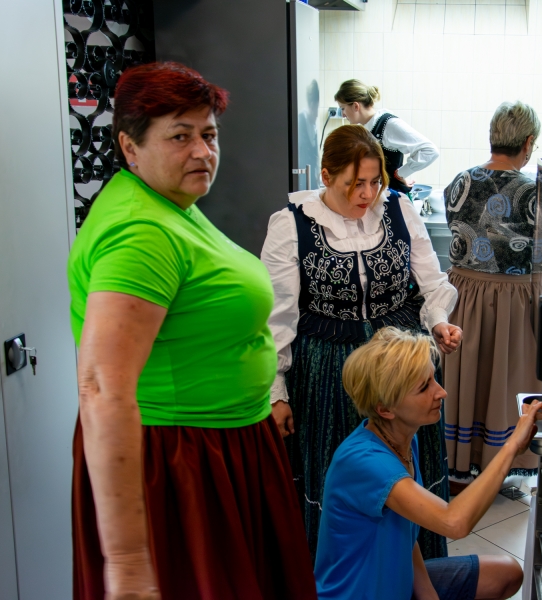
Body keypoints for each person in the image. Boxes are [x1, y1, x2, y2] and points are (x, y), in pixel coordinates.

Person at [67, 62, 316, 600]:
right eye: (180, 136)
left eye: (210, 134)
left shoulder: (171, 203)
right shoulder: (142, 234)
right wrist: (128, 561)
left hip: (222, 447)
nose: (203, 151)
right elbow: (102, 388)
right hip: (179, 462)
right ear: (130, 147)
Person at [261, 124, 461, 561]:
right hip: (329, 373)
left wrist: (439, 323)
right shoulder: (291, 225)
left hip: (403, 367)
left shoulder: (399, 209)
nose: (367, 193)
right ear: (326, 176)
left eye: (374, 181)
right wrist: (276, 392)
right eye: (355, 183)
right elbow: (276, 318)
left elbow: (431, 282)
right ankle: (342, 579)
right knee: (341, 475)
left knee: (406, 472)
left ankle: (418, 577)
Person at [316, 327, 542, 600]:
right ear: (386, 409)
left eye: (433, 379)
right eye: (424, 387)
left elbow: (404, 532)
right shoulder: (364, 462)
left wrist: (430, 596)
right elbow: (455, 523)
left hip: (395, 582)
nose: (441, 392)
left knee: (506, 573)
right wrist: (511, 447)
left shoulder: (401, 440)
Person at [442, 101, 542, 487]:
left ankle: (460, 464)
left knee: (467, 380)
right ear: (528, 142)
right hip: (513, 301)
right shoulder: (538, 192)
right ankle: (500, 463)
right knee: (505, 381)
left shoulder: (459, 182)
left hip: (463, 296)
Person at [334, 79, 438, 197]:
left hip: (393, 199)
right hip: (378, 197)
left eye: (342, 108)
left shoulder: (388, 124)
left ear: (355, 106)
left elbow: (430, 150)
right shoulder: (366, 129)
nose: (343, 114)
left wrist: (401, 173)